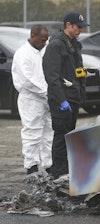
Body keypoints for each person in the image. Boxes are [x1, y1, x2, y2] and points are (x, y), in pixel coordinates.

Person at [42, 12, 89, 179]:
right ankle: (58, 173)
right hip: (61, 99)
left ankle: (66, 171)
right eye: (78, 27)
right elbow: (52, 76)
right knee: (61, 136)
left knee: (69, 135)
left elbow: (78, 69)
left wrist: (82, 89)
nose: (81, 30)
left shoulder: (74, 44)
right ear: (68, 25)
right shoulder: (56, 45)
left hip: (74, 97)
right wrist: (61, 100)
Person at [11, 25, 53, 176]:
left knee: (49, 132)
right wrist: (47, 93)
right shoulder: (23, 54)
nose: (44, 43)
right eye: (42, 40)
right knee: (32, 132)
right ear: (33, 36)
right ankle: (32, 167)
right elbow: (27, 80)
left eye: (46, 40)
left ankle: (49, 165)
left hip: (46, 98)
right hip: (31, 99)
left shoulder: (44, 50)